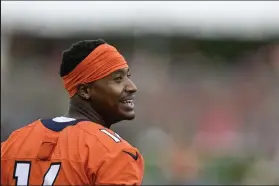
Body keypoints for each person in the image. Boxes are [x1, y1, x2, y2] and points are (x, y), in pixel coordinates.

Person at [1, 39, 144, 185]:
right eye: (118, 79)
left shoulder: (14, 142)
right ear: (85, 91)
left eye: (128, 77)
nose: (132, 87)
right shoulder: (113, 152)